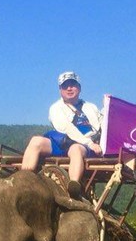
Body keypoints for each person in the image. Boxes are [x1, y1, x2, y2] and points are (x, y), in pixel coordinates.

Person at [21, 71, 103, 199]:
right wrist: (89, 143)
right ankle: (24, 179)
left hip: (83, 145)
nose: (69, 88)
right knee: (36, 141)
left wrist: (107, 107)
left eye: (72, 84)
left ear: (79, 88)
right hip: (63, 141)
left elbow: (102, 123)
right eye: (65, 86)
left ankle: (73, 185)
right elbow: (66, 128)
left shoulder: (90, 107)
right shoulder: (56, 108)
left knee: (76, 149)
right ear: (60, 90)